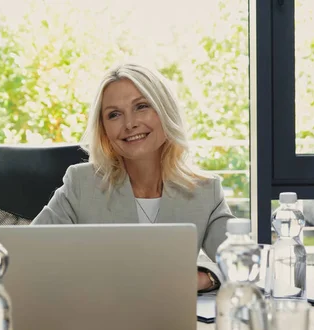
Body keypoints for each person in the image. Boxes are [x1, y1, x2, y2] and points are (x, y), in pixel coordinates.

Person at [31, 62, 235, 292]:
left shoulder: (205, 190)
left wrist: (207, 277)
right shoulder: (80, 183)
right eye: (114, 114)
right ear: (104, 128)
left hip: (172, 321)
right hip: (98, 318)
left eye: (141, 106)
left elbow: (239, 259)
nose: (130, 124)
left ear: (164, 110)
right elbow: (28, 255)